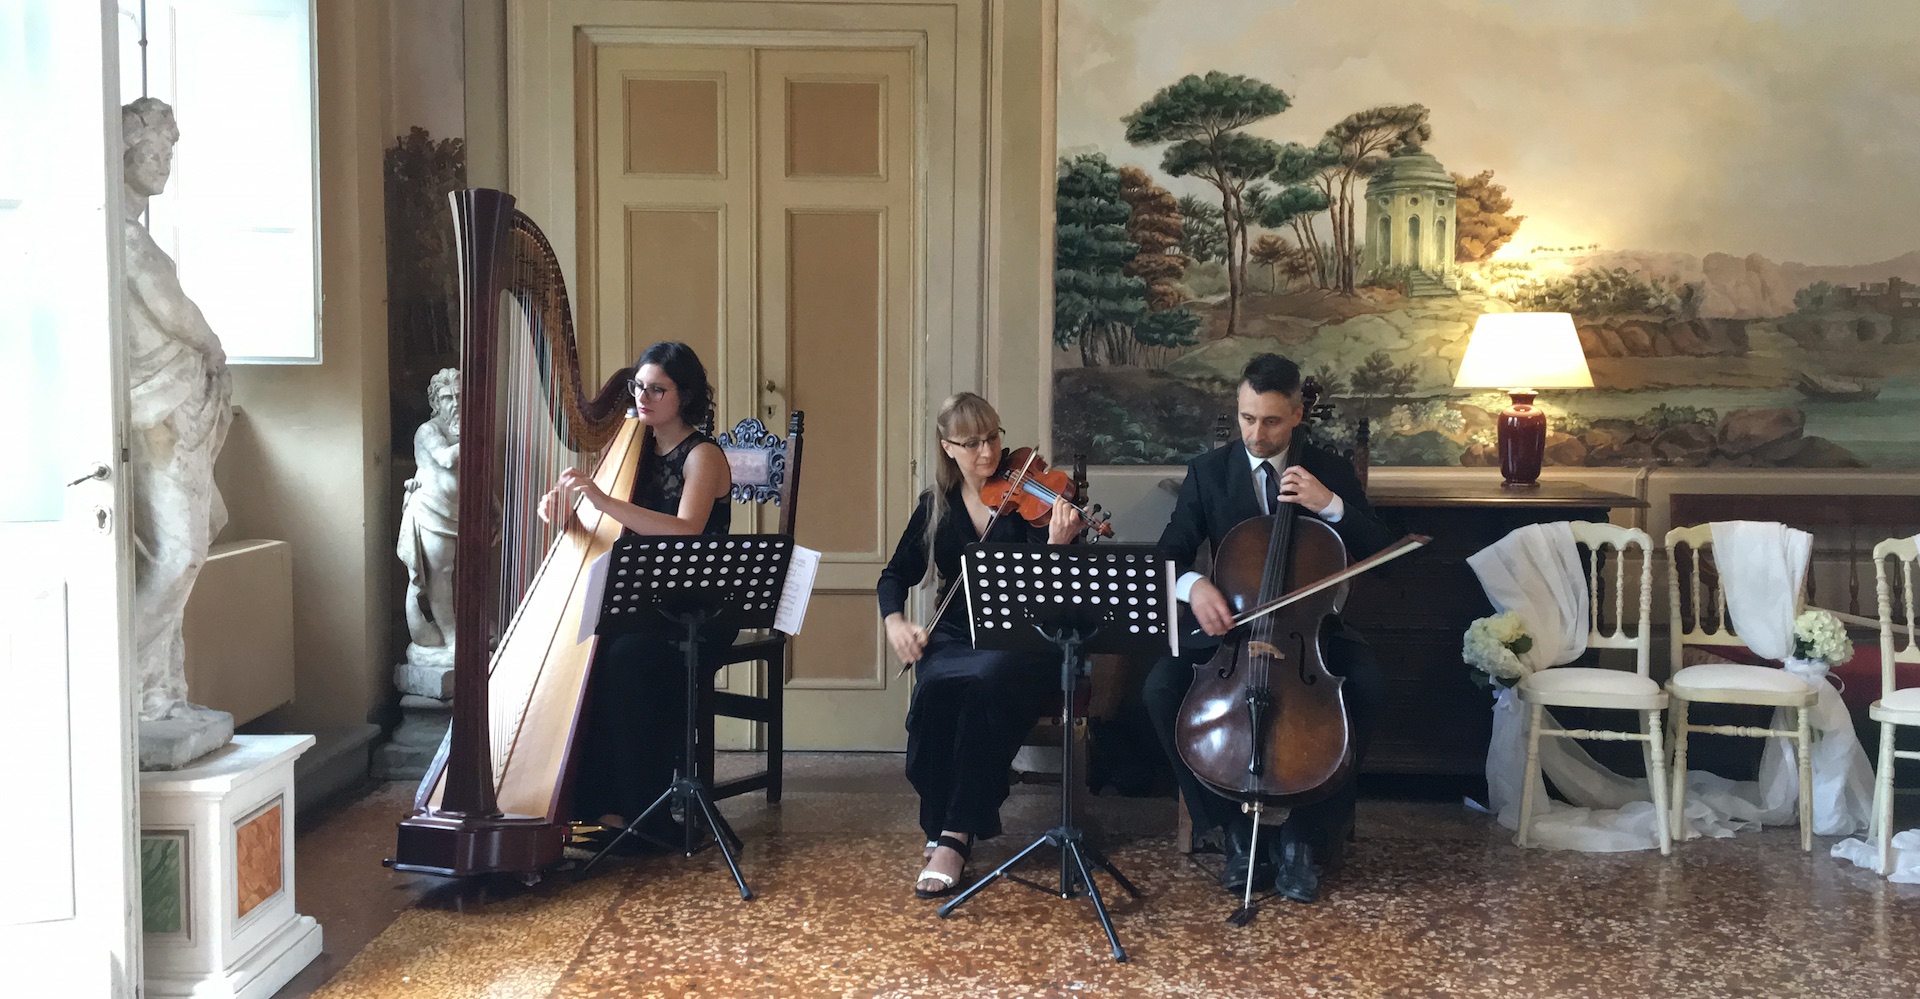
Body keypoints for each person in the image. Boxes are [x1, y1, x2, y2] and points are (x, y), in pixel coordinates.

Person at [1142, 353, 1395, 904]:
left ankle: (1308, 836)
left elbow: (1380, 547)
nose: (1257, 433)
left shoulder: (1329, 470)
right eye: (1247, 418)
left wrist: (1329, 506)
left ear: (1299, 414)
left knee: (1370, 687)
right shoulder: (1209, 473)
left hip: (1313, 634)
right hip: (1231, 633)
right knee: (1160, 688)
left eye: (1272, 421)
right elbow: (1169, 554)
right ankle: (1233, 830)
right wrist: (1195, 587)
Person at [878, 393, 1085, 898]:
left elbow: (1062, 591)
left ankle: (955, 833)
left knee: (984, 683)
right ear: (947, 448)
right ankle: (943, 817)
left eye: (993, 437)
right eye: (971, 443)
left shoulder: (1032, 499)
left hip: (1025, 634)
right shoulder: (937, 505)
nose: (988, 453)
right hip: (956, 632)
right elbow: (894, 574)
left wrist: (1057, 547)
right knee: (935, 688)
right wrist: (896, 623)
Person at [539, 341, 733, 845]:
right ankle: (599, 807)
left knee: (627, 656)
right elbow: (608, 528)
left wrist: (601, 500)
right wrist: (566, 515)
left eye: (656, 388)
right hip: (647, 602)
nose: (642, 397)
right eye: (638, 386)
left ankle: (645, 816)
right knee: (594, 648)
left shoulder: (703, 454)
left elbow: (687, 528)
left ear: (684, 396)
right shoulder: (632, 447)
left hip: (698, 606)